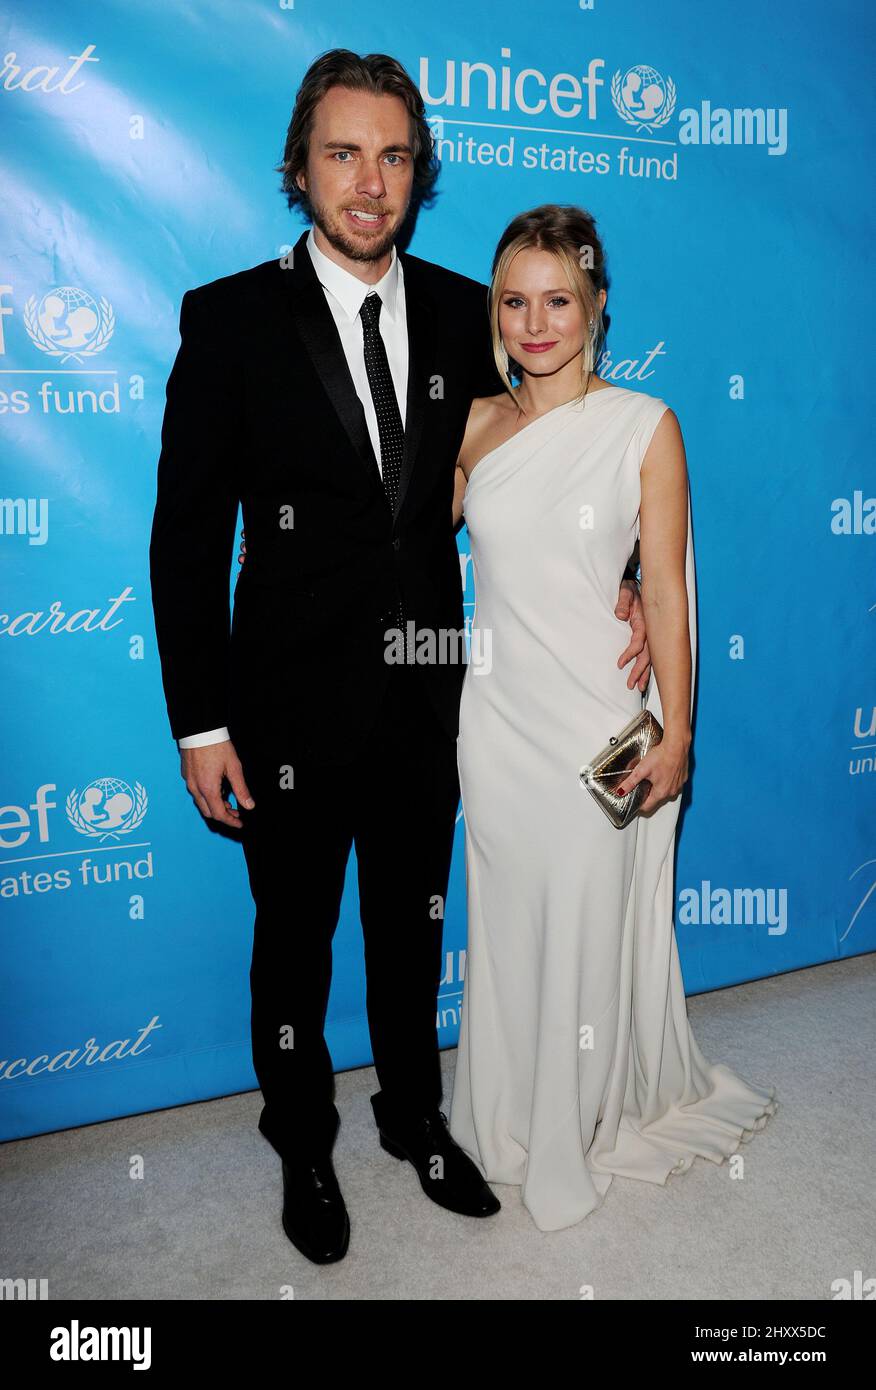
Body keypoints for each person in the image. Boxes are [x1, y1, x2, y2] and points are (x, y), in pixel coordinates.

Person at [148, 52, 649, 1265]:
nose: (369, 182)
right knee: (294, 932)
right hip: (282, 706)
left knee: (412, 926)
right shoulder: (228, 319)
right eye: (342, 153)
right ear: (299, 167)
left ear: (418, 170)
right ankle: (301, 1135)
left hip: (435, 694)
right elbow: (184, 533)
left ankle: (416, 1120)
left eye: (392, 155)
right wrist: (200, 721)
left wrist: (623, 573)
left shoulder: (461, 308)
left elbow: (548, 451)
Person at [447, 204, 778, 1232]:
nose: (535, 322)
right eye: (514, 301)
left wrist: (678, 732)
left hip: (600, 726)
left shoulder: (646, 423)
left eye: (558, 299)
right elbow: (402, 554)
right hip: (496, 722)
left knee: (590, 926)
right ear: (495, 313)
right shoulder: (473, 425)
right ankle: (503, 1118)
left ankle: (573, 1130)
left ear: (596, 307)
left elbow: (670, 587)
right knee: (509, 928)